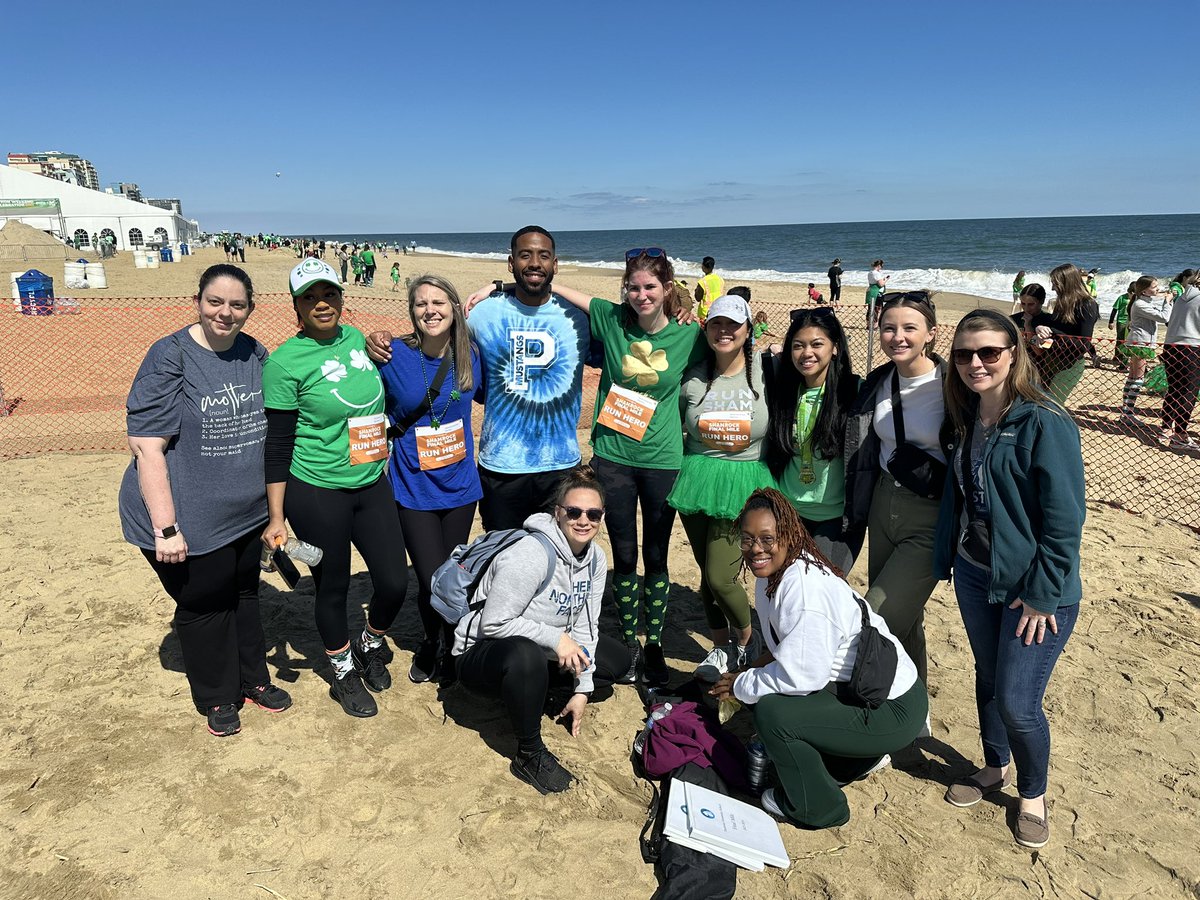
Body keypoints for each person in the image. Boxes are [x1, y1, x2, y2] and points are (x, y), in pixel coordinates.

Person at [118, 264, 292, 738]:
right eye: (215, 301)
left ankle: (254, 678)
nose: (225, 312)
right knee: (204, 601)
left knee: (245, 593)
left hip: (245, 511)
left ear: (250, 309)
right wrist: (166, 527)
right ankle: (218, 695)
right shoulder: (171, 355)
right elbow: (147, 447)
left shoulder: (254, 353)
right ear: (198, 301)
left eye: (237, 305)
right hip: (185, 516)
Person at [934, 308, 1084, 849]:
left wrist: (1043, 594)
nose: (976, 363)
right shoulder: (967, 414)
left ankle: (1033, 794)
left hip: (1036, 590)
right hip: (977, 575)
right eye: (964, 354)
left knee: (1019, 702)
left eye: (989, 352)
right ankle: (994, 766)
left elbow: (1066, 522)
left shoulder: (1045, 420)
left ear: (1014, 354)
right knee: (988, 679)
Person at [532, 249, 706, 687]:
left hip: (663, 459)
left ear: (667, 290)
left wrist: (690, 306)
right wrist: (497, 287)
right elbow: (558, 290)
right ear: (624, 289)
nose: (641, 294)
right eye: (634, 287)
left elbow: (731, 349)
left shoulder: (690, 334)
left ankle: (655, 647)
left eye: (651, 287)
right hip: (613, 457)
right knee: (625, 554)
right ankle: (630, 643)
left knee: (657, 554)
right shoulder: (612, 319)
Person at [709, 488, 927, 830]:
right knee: (766, 691)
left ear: (790, 535)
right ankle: (853, 762)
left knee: (773, 713)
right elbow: (787, 651)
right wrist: (749, 669)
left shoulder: (804, 592)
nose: (756, 549)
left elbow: (802, 678)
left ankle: (820, 808)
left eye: (767, 538)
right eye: (748, 539)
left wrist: (742, 684)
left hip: (893, 709)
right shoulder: (777, 575)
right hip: (866, 689)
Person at [262, 259, 409, 718]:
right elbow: (278, 442)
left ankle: (369, 642)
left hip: (371, 481)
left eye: (329, 295)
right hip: (317, 490)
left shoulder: (358, 340)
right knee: (333, 587)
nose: (321, 304)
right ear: (297, 306)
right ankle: (342, 673)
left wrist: (382, 337)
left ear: (342, 299)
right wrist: (275, 516)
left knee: (394, 581)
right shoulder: (285, 362)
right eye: (310, 297)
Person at [453, 467, 631, 794]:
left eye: (593, 514)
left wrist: (583, 689)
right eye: (573, 512)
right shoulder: (531, 554)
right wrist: (556, 638)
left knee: (616, 663)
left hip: (542, 647)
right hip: (482, 652)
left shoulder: (594, 560)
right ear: (557, 512)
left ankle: (537, 690)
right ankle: (529, 753)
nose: (583, 521)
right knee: (526, 656)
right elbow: (494, 622)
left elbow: (586, 624)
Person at [844, 291, 948, 704]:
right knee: (907, 620)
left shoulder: (953, 385)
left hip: (929, 514)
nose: (897, 337)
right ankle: (914, 704)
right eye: (889, 327)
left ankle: (875, 706)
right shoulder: (878, 381)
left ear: (931, 334)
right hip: (881, 506)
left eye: (909, 328)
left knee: (878, 617)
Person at [377, 275, 482, 683]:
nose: (430, 310)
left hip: (460, 486)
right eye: (421, 304)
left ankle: (453, 645)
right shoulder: (391, 355)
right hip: (413, 486)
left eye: (438, 302)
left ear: (454, 308)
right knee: (428, 577)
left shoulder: (471, 355)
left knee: (454, 575)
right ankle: (430, 640)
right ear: (412, 312)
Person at [668, 295, 776, 682]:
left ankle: (750, 642)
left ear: (749, 330)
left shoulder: (769, 369)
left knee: (721, 576)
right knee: (705, 573)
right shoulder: (693, 376)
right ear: (707, 328)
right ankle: (720, 645)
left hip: (745, 480)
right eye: (717, 324)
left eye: (733, 324)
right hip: (696, 478)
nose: (725, 331)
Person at [765, 307, 862, 573]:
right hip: (788, 511)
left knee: (822, 585)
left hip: (836, 517)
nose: (807, 353)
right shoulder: (781, 390)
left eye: (817, 344)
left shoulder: (854, 392)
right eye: (798, 346)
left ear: (835, 347)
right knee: (781, 587)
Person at [1034, 264, 1100, 405]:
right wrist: (1039, 328)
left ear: (1067, 283)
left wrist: (1054, 334)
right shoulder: (1062, 303)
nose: (1053, 288)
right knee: (1041, 402)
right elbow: (1051, 325)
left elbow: (1083, 344)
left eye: (1055, 284)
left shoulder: (1087, 305)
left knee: (1053, 405)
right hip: (1051, 360)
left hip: (1070, 364)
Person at [1120, 276, 1172, 421]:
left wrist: (1165, 296)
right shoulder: (1140, 304)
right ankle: (1128, 413)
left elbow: (1155, 301)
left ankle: (1126, 412)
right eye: (1154, 286)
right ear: (1144, 291)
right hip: (1140, 343)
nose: (1158, 288)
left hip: (1140, 341)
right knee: (1137, 379)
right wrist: (1167, 302)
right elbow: (1163, 317)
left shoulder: (1143, 301)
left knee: (1132, 378)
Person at [1161, 269, 1200, 450]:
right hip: (1191, 347)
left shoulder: (1183, 297)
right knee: (1189, 392)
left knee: (1174, 389)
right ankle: (1180, 435)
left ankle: (1166, 428)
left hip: (1171, 346)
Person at [1108, 281, 1135, 367]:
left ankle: (1126, 357)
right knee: (1120, 340)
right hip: (1121, 321)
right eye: (1131, 292)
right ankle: (1117, 356)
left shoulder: (1136, 299)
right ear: (1129, 291)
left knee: (1128, 340)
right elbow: (1114, 310)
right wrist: (1111, 321)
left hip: (1131, 322)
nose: (1133, 294)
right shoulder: (1122, 298)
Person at [695, 256, 724, 323]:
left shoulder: (703, 281)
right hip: (718, 310)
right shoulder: (720, 279)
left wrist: (696, 291)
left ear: (703, 267)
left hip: (706, 313)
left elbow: (698, 298)